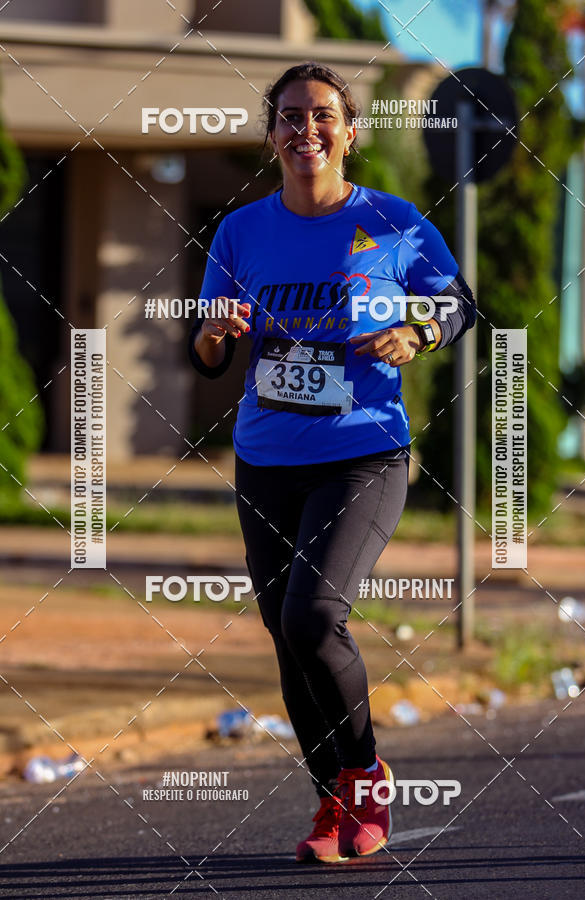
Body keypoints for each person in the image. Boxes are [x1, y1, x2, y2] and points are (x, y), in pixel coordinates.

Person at [189, 62, 476, 864]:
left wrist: (417, 332)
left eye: (321, 114)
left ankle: (365, 775)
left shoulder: (393, 222)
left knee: (316, 617)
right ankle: (330, 806)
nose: (303, 128)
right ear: (270, 133)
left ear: (351, 131)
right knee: (288, 639)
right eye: (288, 115)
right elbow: (210, 350)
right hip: (265, 456)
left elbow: (460, 302)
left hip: (365, 453)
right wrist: (214, 334)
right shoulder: (240, 231)